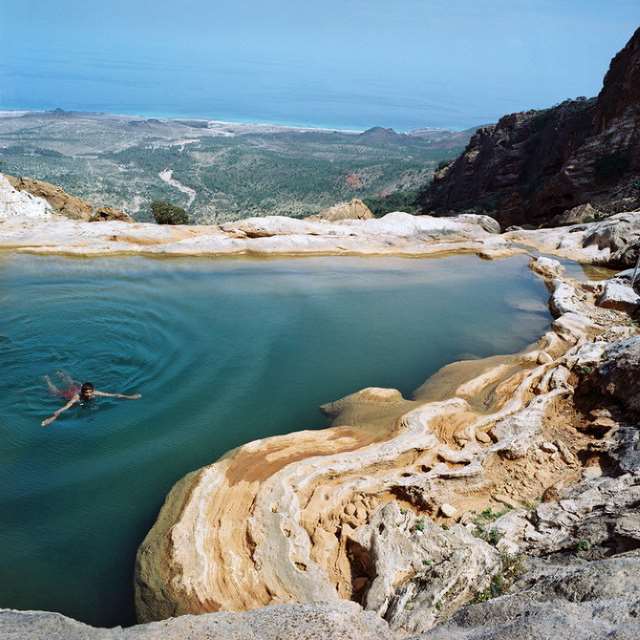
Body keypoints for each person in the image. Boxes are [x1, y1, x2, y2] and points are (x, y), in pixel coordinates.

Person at [42, 372, 141, 427]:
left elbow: (114, 395)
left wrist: (130, 397)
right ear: (83, 392)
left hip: (76, 389)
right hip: (69, 394)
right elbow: (64, 408)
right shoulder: (77, 398)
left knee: (71, 383)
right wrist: (52, 418)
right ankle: (47, 380)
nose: (90, 395)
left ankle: (61, 374)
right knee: (56, 392)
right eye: (87, 393)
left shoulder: (94, 392)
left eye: (91, 392)